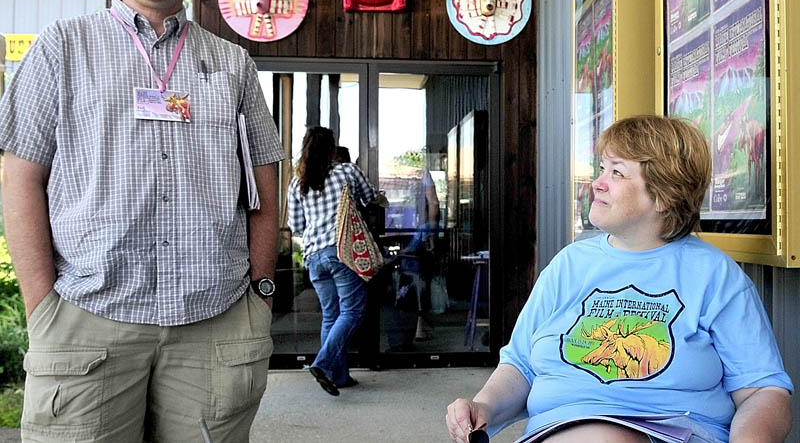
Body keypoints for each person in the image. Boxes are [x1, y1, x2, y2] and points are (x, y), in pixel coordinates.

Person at [0, 0, 283, 441]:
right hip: (87, 319)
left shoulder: (232, 64)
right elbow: (20, 178)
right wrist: (43, 309)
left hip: (215, 321)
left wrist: (261, 296)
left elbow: (265, 191)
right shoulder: (62, 47)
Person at [446, 115, 792, 443]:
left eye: (618, 172)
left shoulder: (715, 275)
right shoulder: (569, 264)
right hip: (559, 428)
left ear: (664, 196)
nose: (597, 183)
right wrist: (483, 408)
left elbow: (762, 390)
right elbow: (520, 365)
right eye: (601, 168)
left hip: (669, 431)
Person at [287, 127, 379, 396]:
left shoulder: (297, 182)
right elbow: (370, 196)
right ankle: (323, 364)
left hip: (314, 256)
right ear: (332, 149)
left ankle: (339, 376)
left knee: (331, 314)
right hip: (342, 253)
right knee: (352, 312)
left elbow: (296, 226)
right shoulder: (346, 172)